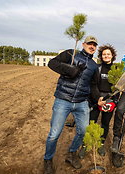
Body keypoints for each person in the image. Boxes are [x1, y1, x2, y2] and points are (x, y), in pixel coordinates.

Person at [43, 36, 100, 173]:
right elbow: (52, 63)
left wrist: (98, 99)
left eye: (94, 45)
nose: (92, 46)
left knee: (83, 131)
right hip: (63, 99)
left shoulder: (93, 65)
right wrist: (69, 70)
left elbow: (93, 86)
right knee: (54, 134)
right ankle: (48, 159)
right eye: (89, 44)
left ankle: (71, 154)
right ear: (83, 44)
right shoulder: (71, 53)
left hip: (81, 103)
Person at [79, 44, 119, 158]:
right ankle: (85, 144)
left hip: (109, 100)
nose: (106, 56)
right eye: (104, 54)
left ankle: (101, 144)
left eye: (108, 54)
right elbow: (93, 84)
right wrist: (97, 99)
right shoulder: (97, 68)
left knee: (105, 124)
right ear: (101, 56)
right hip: (96, 99)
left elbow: (118, 88)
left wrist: (114, 102)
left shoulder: (116, 69)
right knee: (91, 122)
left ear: (112, 56)